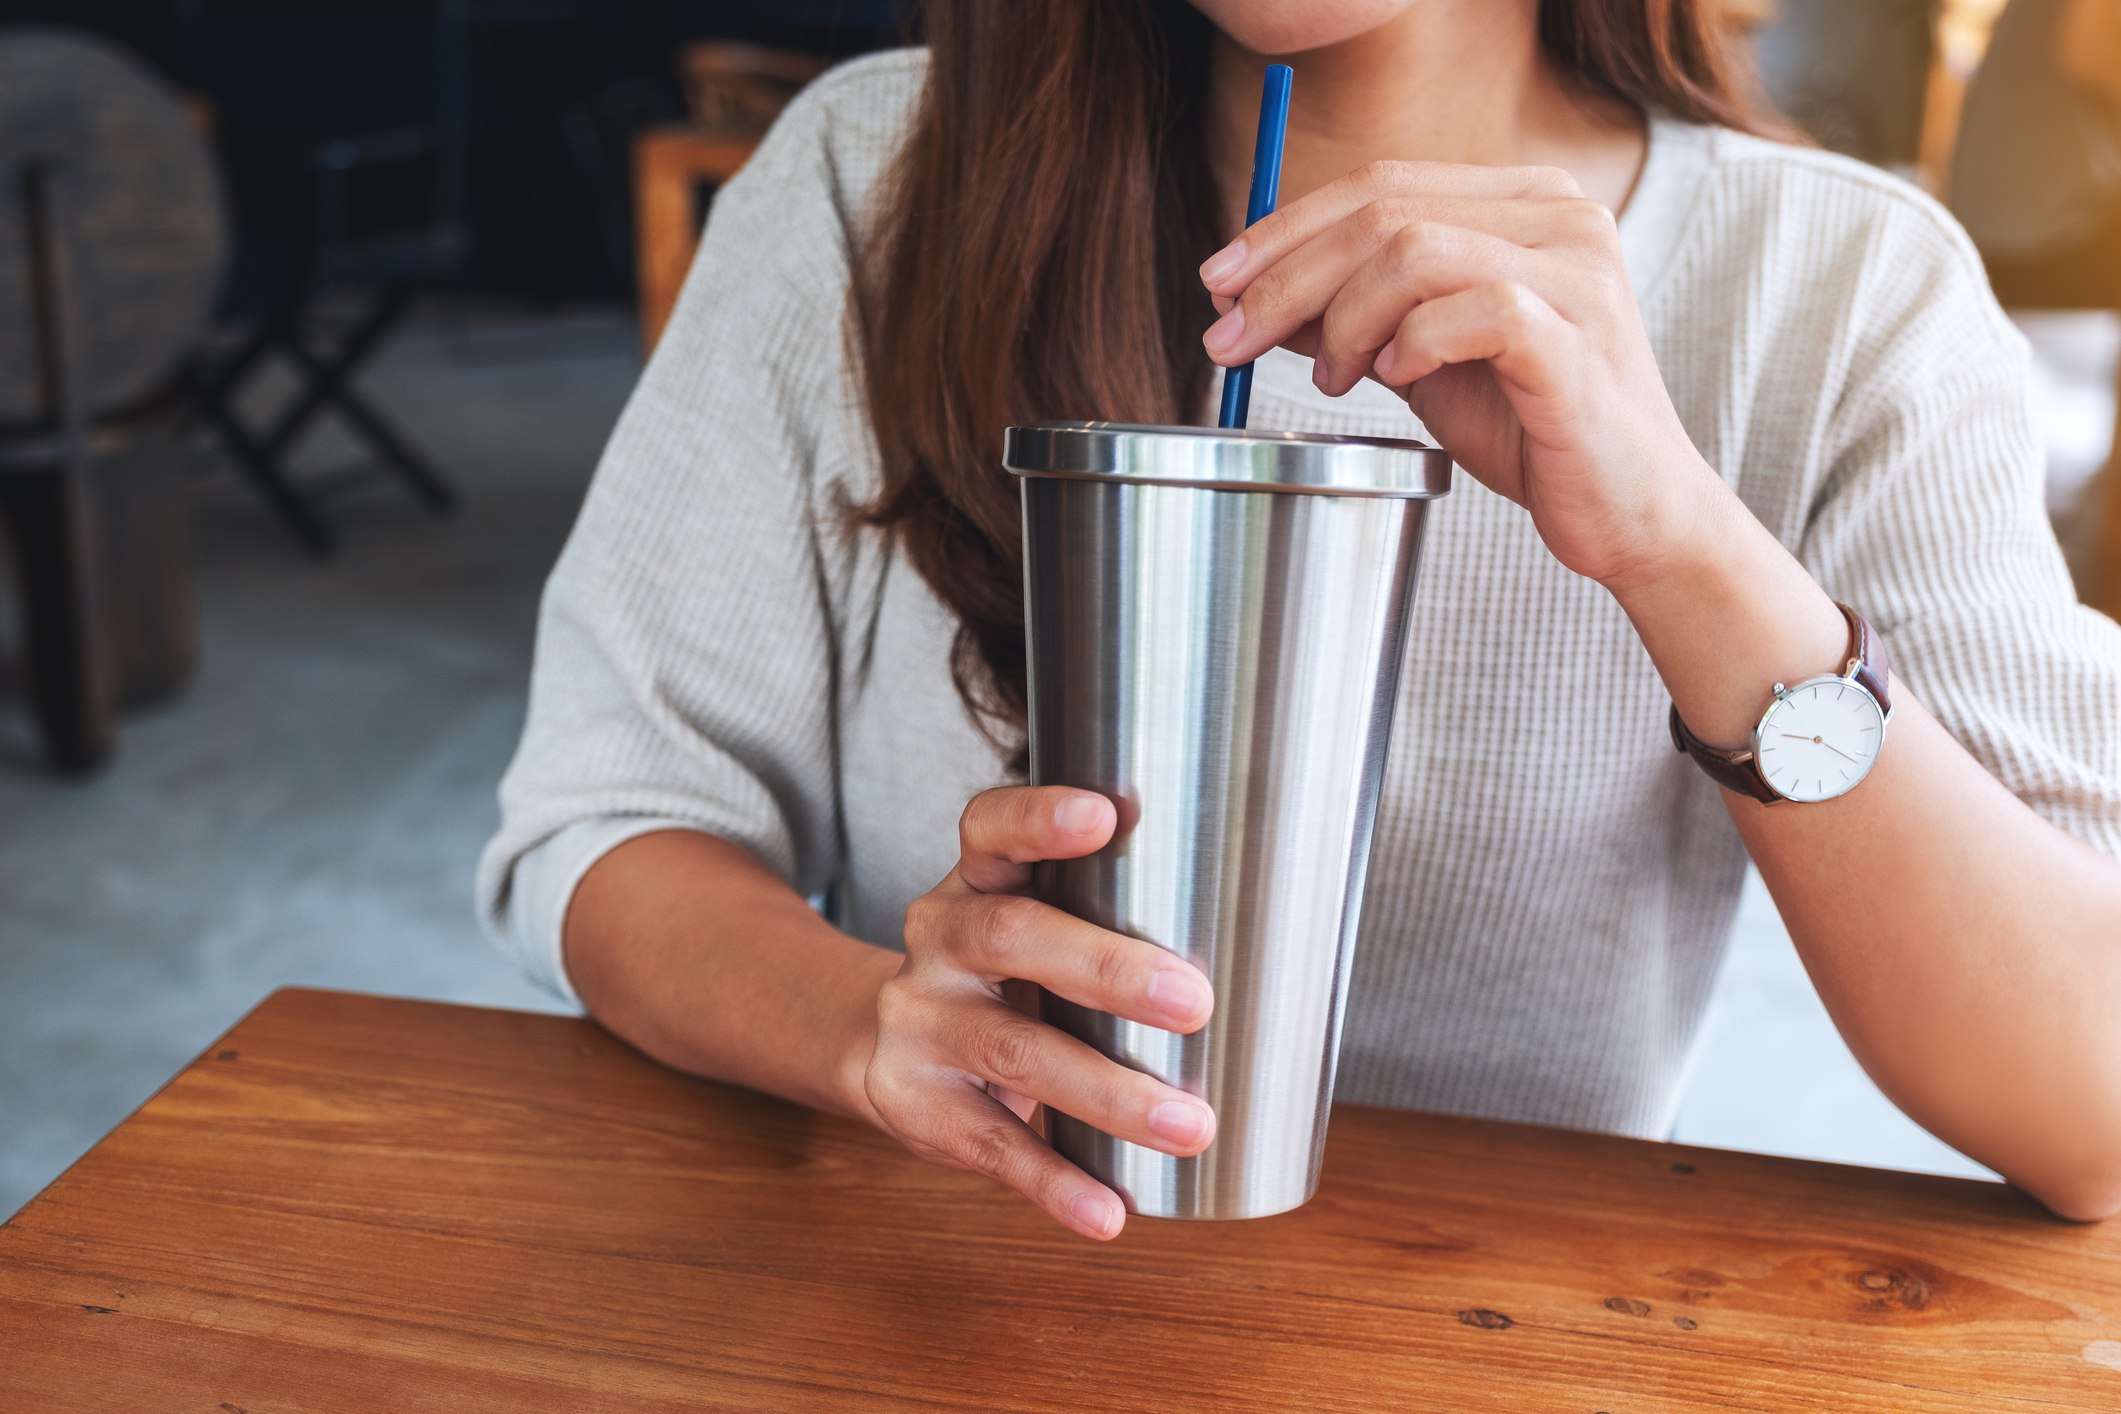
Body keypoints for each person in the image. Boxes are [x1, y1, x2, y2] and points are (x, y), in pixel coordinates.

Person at [480, 0, 2121, 1239]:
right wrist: (858, 1024)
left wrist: (1691, 555)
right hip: (935, 1291)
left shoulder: (1841, 287)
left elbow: (2092, 1109)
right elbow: (607, 824)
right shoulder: (870, 179)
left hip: (1505, 1328)